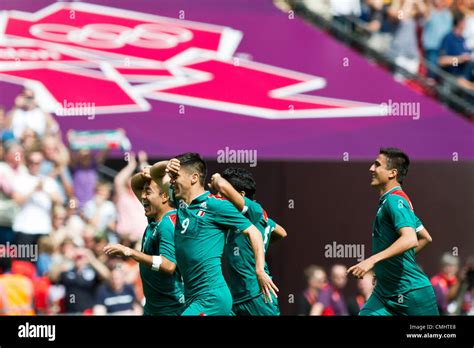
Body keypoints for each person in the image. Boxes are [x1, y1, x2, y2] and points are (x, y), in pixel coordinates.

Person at [151, 153, 278, 316]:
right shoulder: (180, 203)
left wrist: (260, 270)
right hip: (192, 297)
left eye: (175, 176)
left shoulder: (215, 205)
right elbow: (155, 174)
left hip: (211, 297)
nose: (172, 181)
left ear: (194, 178)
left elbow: (254, 232)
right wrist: (166, 165)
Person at [347, 147, 438, 316]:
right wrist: (386, 267)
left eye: (377, 164)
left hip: (412, 293)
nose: (371, 169)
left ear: (392, 173)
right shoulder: (393, 200)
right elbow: (425, 237)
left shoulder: (395, 200)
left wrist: (373, 260)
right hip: (383, 293)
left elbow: (411, 239)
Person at [104, 167, 185, 316]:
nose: (142, 196)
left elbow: (168, 265)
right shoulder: (154, 218)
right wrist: (145, 174)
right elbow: (135, 184)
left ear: (165, 197)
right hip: (153, 307)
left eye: (148, 192)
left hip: (170, 309)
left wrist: (129, 252)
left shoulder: (167, 224)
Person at [208, 167, 287, 315]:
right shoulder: (240, 218)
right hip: (236, 298)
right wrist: (263, 237)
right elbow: (281, 232)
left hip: (258, 294)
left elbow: (282, 233)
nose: (219, 195)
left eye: (223, 193)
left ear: (241, 195)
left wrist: (218, 178)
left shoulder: (253, 210)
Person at [12, 150, 63, 248]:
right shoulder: (19, 179)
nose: (34, 165)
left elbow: (59, 200)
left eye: (37, 163)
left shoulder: (48, 181)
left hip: (44, 229)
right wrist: (34, 190)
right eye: (31, 162)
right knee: (23, 262)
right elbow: (17, 201)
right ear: (27, 162)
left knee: (42, 262)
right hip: (24, 228)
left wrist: (45, 189)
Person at [439, 12, 474, 90]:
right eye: (465, 22)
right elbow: (442, 61)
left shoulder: (463, 40)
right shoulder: (449, 38)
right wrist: (459, 59)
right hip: (450, 79)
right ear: (460, 23)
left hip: (462, 80)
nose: (466, 25)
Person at [422, 0, 453, 78]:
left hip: (443, 49)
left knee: (439, 71)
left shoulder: (448, 15)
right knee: (431, 71)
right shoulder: (430, 12)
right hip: (431, 47)